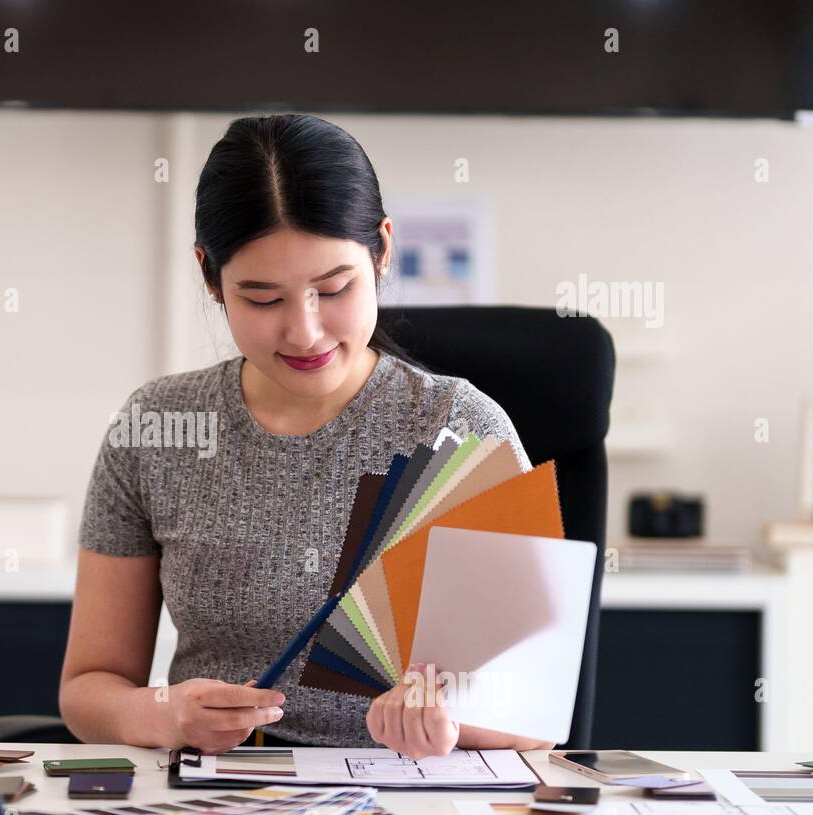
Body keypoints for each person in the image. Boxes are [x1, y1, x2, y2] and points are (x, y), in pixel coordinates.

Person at [60, 113, 553, 757]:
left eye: (335, 288)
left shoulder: (459, 429)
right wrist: (163, 713)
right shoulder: (157, 428)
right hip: (217, 804)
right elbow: (87, 688)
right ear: (211, 277)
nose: (306, 332)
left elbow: (540, 717)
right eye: (263, 300)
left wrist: (450, 722)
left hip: (405, 805)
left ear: (381, 250)